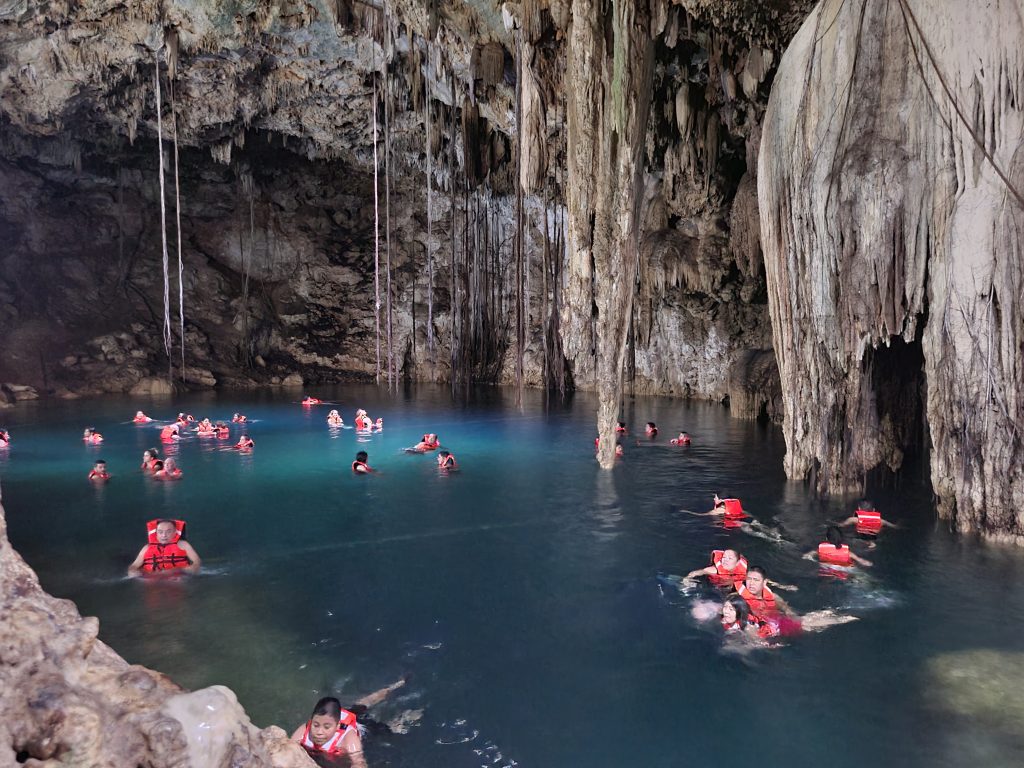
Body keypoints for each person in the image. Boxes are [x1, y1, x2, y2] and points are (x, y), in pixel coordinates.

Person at [291, 680, 405, 766]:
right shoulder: (304, 731)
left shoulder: (349, 740)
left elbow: (359, 763)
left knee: (389, 729)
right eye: (315, 725)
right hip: (338, 715)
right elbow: (288, 747)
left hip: (364, 729)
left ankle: (395, 688)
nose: (319, 732)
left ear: (337, 727)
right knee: (358, 707)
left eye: (326, 727)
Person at [128, 519, 200, 574]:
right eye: (160, 532)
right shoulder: (146, 548)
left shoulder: (183, 545)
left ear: (175, 532)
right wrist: (133, 572)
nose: (164, 535)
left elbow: (197, 561)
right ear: (156, 533)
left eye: (168, 532)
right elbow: (134, 566)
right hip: (152, 580)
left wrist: (190, 569)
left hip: (178, 578)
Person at [806, 526, 873, 568]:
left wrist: (815, 561)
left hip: (828, 569)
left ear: (827, 538)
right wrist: (868, 563)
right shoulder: (848, 553)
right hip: (847, 569)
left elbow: (807, 556)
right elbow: (863, 562)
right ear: (841, 539)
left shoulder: (820, 550)